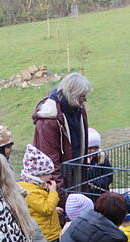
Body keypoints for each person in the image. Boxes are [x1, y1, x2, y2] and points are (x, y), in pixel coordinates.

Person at [32, 72, 92, 202]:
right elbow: (50, 163)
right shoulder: (49, 120)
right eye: (82, 96)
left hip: (75, 174)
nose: (85, 99)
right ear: (72, 95)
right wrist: (62, 198)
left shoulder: (79, 109)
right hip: (57, 182)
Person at [18, 144, 61, 242]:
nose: (50, 176)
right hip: (46, 236)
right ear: (37, 175)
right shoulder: (30, 192)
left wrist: (54, 209)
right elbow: (46, 209)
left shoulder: (37, 187)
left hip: (51, 232)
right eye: (47, 174)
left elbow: (41, 206)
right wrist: (53, 192)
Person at [81, 128, 113, 200]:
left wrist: (96, 184)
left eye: (96, 148)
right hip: (85, 194)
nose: (93, 151)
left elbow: (109, 176)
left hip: (101, 193)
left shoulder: (102, 158)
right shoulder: (80, 161)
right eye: (90, 148)